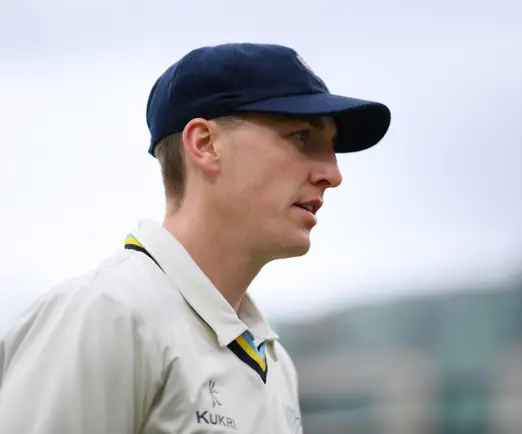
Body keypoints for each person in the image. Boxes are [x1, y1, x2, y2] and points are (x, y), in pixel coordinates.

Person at [0, 42, 391, 434]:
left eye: (331, 145)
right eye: (303, 136)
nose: (333, 174)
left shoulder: (275, 364)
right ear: (205, 144)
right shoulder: (108, 315)